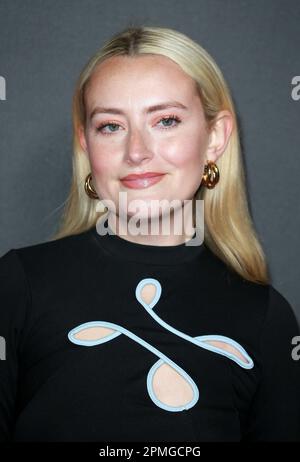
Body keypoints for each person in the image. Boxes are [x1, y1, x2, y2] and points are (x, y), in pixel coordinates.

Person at [0, 25, 299, 442]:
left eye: (166, 120)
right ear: (86, 144)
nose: (137, 152)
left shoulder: (266, 316)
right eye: (111, 126)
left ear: (215, 138)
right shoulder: (18, 284)